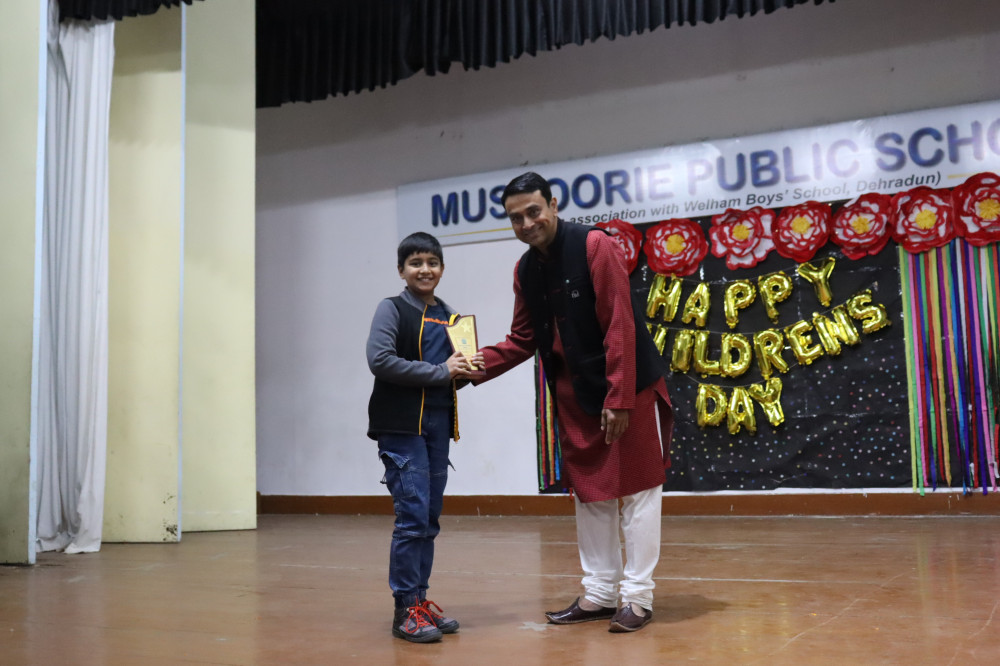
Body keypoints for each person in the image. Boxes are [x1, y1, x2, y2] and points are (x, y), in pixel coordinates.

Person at [477, 172, 673, 633]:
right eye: (516, 218)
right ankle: (600, 593)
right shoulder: (525, 270)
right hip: (574, 397)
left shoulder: (594, 246)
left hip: (627, 390)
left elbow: (619, 323)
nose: (527, 223)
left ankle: (638, 598)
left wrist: (619, 398)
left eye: (534, 211)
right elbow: (523, 338)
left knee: (639, 493)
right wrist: (471, 367)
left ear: (553, 205)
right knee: (591, 495)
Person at [366, 231, 478, 643]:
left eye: (432, 262)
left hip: (437, 427)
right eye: (415, 263)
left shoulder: (452, 316)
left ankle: (419, 602)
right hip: (401, 427)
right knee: (412, 517)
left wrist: (469, 371)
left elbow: (453, 377)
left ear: (442, 269)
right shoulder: (391, 308)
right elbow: (380, 360)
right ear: (402, 270)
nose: (424, 269)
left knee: (428, 519)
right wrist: (441, 372)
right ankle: (404, 611)